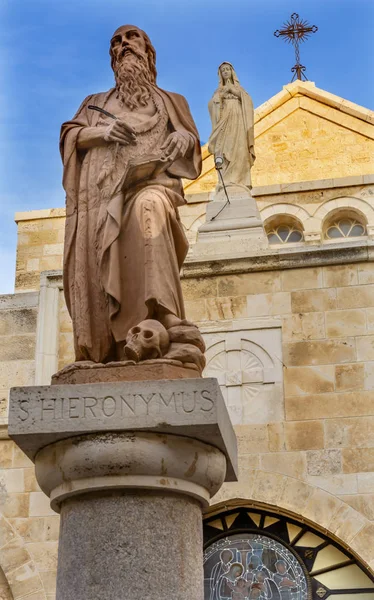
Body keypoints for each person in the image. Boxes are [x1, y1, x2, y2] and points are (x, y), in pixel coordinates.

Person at [60, 25, 201, 364]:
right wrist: (104, 132)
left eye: (131, 38)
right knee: (100, 245)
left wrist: (183, 138)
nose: (123, 45)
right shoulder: (96, 104)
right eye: (116, 42)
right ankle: (108, 340)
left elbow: (193, 148)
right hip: (103, 196)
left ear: (147, 52)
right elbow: (70, 136)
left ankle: (163, 317)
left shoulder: (172, 102)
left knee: (149, 207)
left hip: (151, 185)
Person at [208, 62, 255, 193]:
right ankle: (226, 180)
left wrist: (233, 91)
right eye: (223, 70)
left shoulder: (240, 89)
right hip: (224, 122)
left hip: (239, 122)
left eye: (228, 69)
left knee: (240, 149)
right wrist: (220, 97)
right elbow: (212, 105)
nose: (226, 72)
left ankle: (239, 180)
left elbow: (248, 103)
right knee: (223, 148)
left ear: (232, 72)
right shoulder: (218, 91)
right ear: (220, 74)